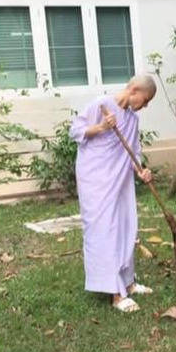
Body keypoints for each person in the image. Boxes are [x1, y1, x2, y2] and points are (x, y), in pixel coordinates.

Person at [69, 74, 157, 312]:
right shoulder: (101, 104)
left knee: (127, 226)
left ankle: (128, 283)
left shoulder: (132, 119)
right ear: (135, 90)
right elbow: (75, 131)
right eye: (145, 100)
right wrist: (101, 127)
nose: (145, 105)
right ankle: (114, 293)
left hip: (121, 179)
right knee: (105, 230)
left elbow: (134, 152)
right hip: (96, 179)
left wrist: (142, 171)